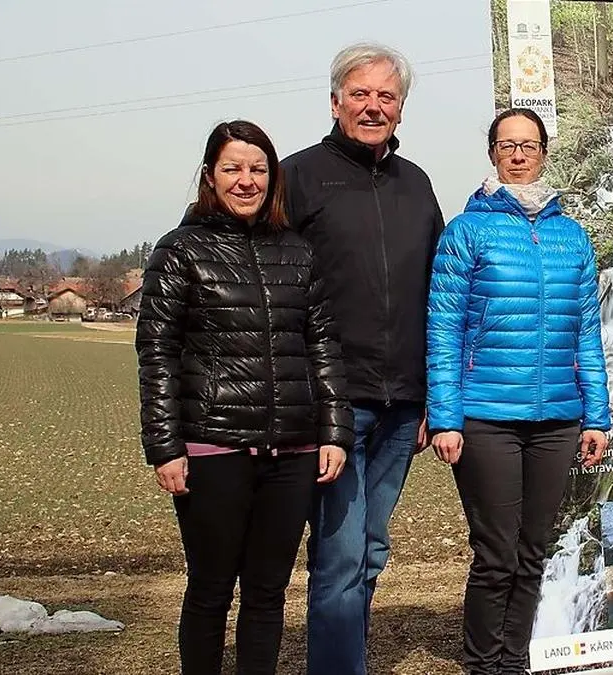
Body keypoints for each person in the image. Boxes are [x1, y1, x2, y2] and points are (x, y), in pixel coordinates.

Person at [136, 120, 353, 675]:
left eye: (258, 169)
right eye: (232, 168)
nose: (246, 180)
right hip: (213, 447)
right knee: (210, 589)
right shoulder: (180, 250)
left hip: (294, 451)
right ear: (210, 176)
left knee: (268, 591)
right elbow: (157, 354)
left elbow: (322, 344)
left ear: (272, 178)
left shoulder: (297, 252)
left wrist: (334, 430)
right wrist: (165, 447)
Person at [427, 108, 611, 675]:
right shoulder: (467, 230)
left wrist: (596, 415)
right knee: (496, 555)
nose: (518, 154)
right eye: (507, 144)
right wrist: (445, 416)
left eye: (528, 144)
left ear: (543, 153)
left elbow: (586, 330)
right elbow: (444, 328)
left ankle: (513, 660)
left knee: (534, 552)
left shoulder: (570, 235)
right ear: (492, 153)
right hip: (486, 418)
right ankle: (482, 663)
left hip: (557, 417)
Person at [280, 42, 444, 674]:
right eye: (361, 94)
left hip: (404, 403)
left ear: (400, 109)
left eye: (387, 96)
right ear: (335, 101)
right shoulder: (298, 177)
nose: (373, 106)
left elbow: (439, 292)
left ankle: (344, 657)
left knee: (371, 551)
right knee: (341, 554)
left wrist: (435, 396)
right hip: (335, 403)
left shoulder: (417, 183)